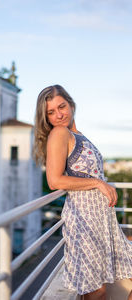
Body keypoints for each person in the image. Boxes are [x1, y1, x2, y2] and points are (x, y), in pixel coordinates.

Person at [33, 84, 132, 300]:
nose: (59, 115)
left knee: (102, 287)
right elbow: (54, 180)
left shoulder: (77, 135)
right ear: (46, 117)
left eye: (62, 107)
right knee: (96, 291)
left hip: (102, 219)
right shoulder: (59, 133)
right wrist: (97, 183)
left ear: (71, 104)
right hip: (84, 221)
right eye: (51, 112)